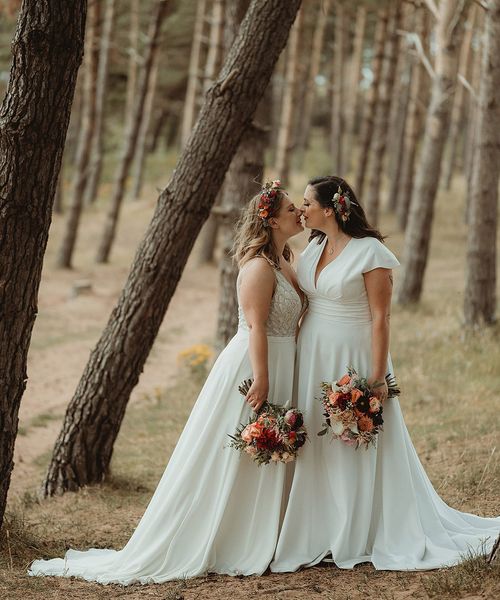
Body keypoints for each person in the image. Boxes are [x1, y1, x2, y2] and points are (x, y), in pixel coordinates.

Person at [29, 181, 305, 584]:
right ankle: (227, 537)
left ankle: (263, 530)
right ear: (271, 219)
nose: (299, 213)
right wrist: (262, 378)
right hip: (255, 365)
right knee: (240, 448)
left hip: (283, 360)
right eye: (292, 208)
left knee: (264, 450)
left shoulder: (284, 259)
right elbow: (255, 325)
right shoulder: (259, 266)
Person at [271, 175, 499, 572]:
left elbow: (381, 317)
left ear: (330, 208)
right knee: (321, 444)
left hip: (355, 356)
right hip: (314, 356)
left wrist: (376, 378)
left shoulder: (370, 252)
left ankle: (361, 529)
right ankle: (321, 528)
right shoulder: (312, 247)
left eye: (307, 202)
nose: (301, 209)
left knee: (356, 442)